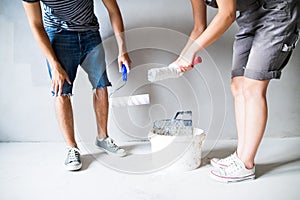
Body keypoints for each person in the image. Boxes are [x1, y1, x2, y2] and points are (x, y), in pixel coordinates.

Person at [172, 0, 299, 182]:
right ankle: (240, 155)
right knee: (238, 84)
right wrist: (181, 59)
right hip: (250, 15)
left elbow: (227, 14)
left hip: (277, 12)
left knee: (253, 86)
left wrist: (191, 52)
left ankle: (246, 164)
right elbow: (199, 28)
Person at [22, 0, 131, 171]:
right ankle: (72, 148)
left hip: (90, 33)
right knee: (61, 91)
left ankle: (103, 138)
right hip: (58, 36)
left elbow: (113, 10)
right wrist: (54, 64)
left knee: (101, 84)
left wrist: (122, 50)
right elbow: (36, 24)